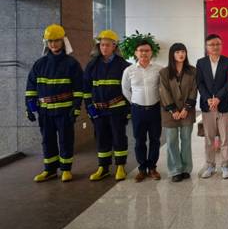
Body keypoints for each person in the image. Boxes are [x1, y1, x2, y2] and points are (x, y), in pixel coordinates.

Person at [25, 24, 83, 182]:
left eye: (56, 40)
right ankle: (50, 170)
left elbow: (79, 89)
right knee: (47, 141)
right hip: (45, 111)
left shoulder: (72, 64)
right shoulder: (39, 64)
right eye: (50, 41)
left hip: (65, 111)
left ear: (63, 41)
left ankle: (66, 170)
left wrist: (76, 107)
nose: (53, 44)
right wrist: (29, 108)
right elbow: (31, 88)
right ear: (46, 42)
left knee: (65, 140)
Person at [83, 30, 131, 182]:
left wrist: (128, 110)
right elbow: (86, 89)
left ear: (114, 46)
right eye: (102, 45)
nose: (104, 48)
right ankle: (103, 168)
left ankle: (120, 166)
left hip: (117, 109)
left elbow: (129, 90)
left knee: (119, 137)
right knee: (101, 138)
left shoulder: (123, 65)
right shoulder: (92, 65)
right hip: (99, 110)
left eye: (107, 45)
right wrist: (89, 107)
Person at [121, 39, 163, 182]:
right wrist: (134, 101)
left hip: (154, 109)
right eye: (141, 50)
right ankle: (142, 168)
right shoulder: (129, 70)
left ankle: (152, 168)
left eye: (147, 50)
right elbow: (125, 89)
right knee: (139, 140)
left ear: (151, 53)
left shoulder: (159, 69)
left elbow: (163, 88)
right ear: (136, 53)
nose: (144, 53)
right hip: (137, 110)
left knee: (155, 139)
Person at [196, 34, 228, 179]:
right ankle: (210, 166)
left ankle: (225, 166)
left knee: (225, 138)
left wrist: (218, 98)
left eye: (218, 44)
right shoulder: (201, 63)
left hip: (224, 104)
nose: (215, 47)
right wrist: (208, 99)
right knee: (209, 138)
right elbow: (200, 83)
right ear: (207, 47)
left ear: (221, 45)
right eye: (212, 44)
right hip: (207, 106)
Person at [159, 43, 197, 182]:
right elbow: (163, 91)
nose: (181, 54)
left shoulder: (192, 71)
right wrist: (173, 109)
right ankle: (175, 170)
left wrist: (186, 108)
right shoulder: (164, 72)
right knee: (171, 141)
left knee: (186, 140)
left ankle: (186, 168)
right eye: (177, 52)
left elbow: (194, 90)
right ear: (172, 54)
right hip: (170, 112)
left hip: (187, 111)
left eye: (183, 52)